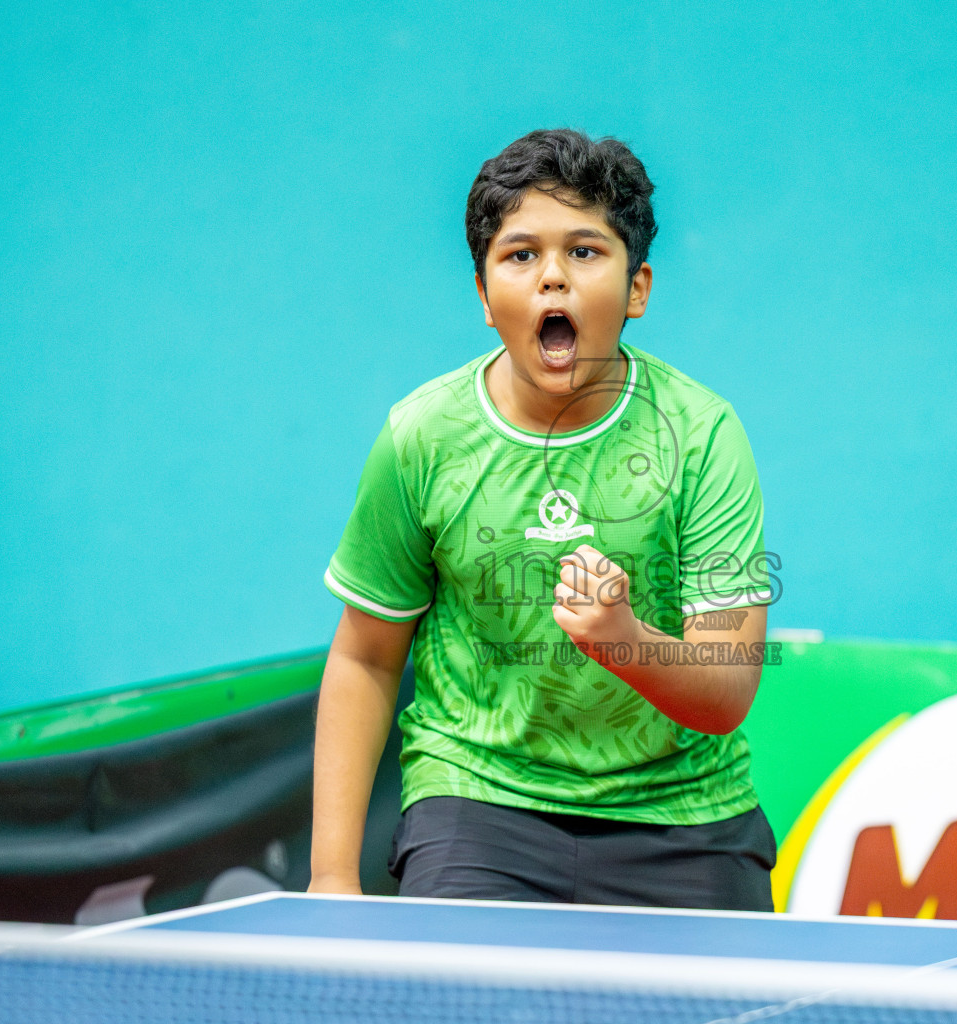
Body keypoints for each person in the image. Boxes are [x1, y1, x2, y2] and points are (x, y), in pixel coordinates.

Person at [307, 129, 778, 910]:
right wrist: (328, 877)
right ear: (485, 297)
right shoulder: (423, 437)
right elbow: (365, 658)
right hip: (478, 800)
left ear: (638, 290)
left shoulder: (700, 435)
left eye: (585, 252)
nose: (552, 277)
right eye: (520, 255)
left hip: (683, 813)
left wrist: (621, 638)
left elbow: (727, 689)